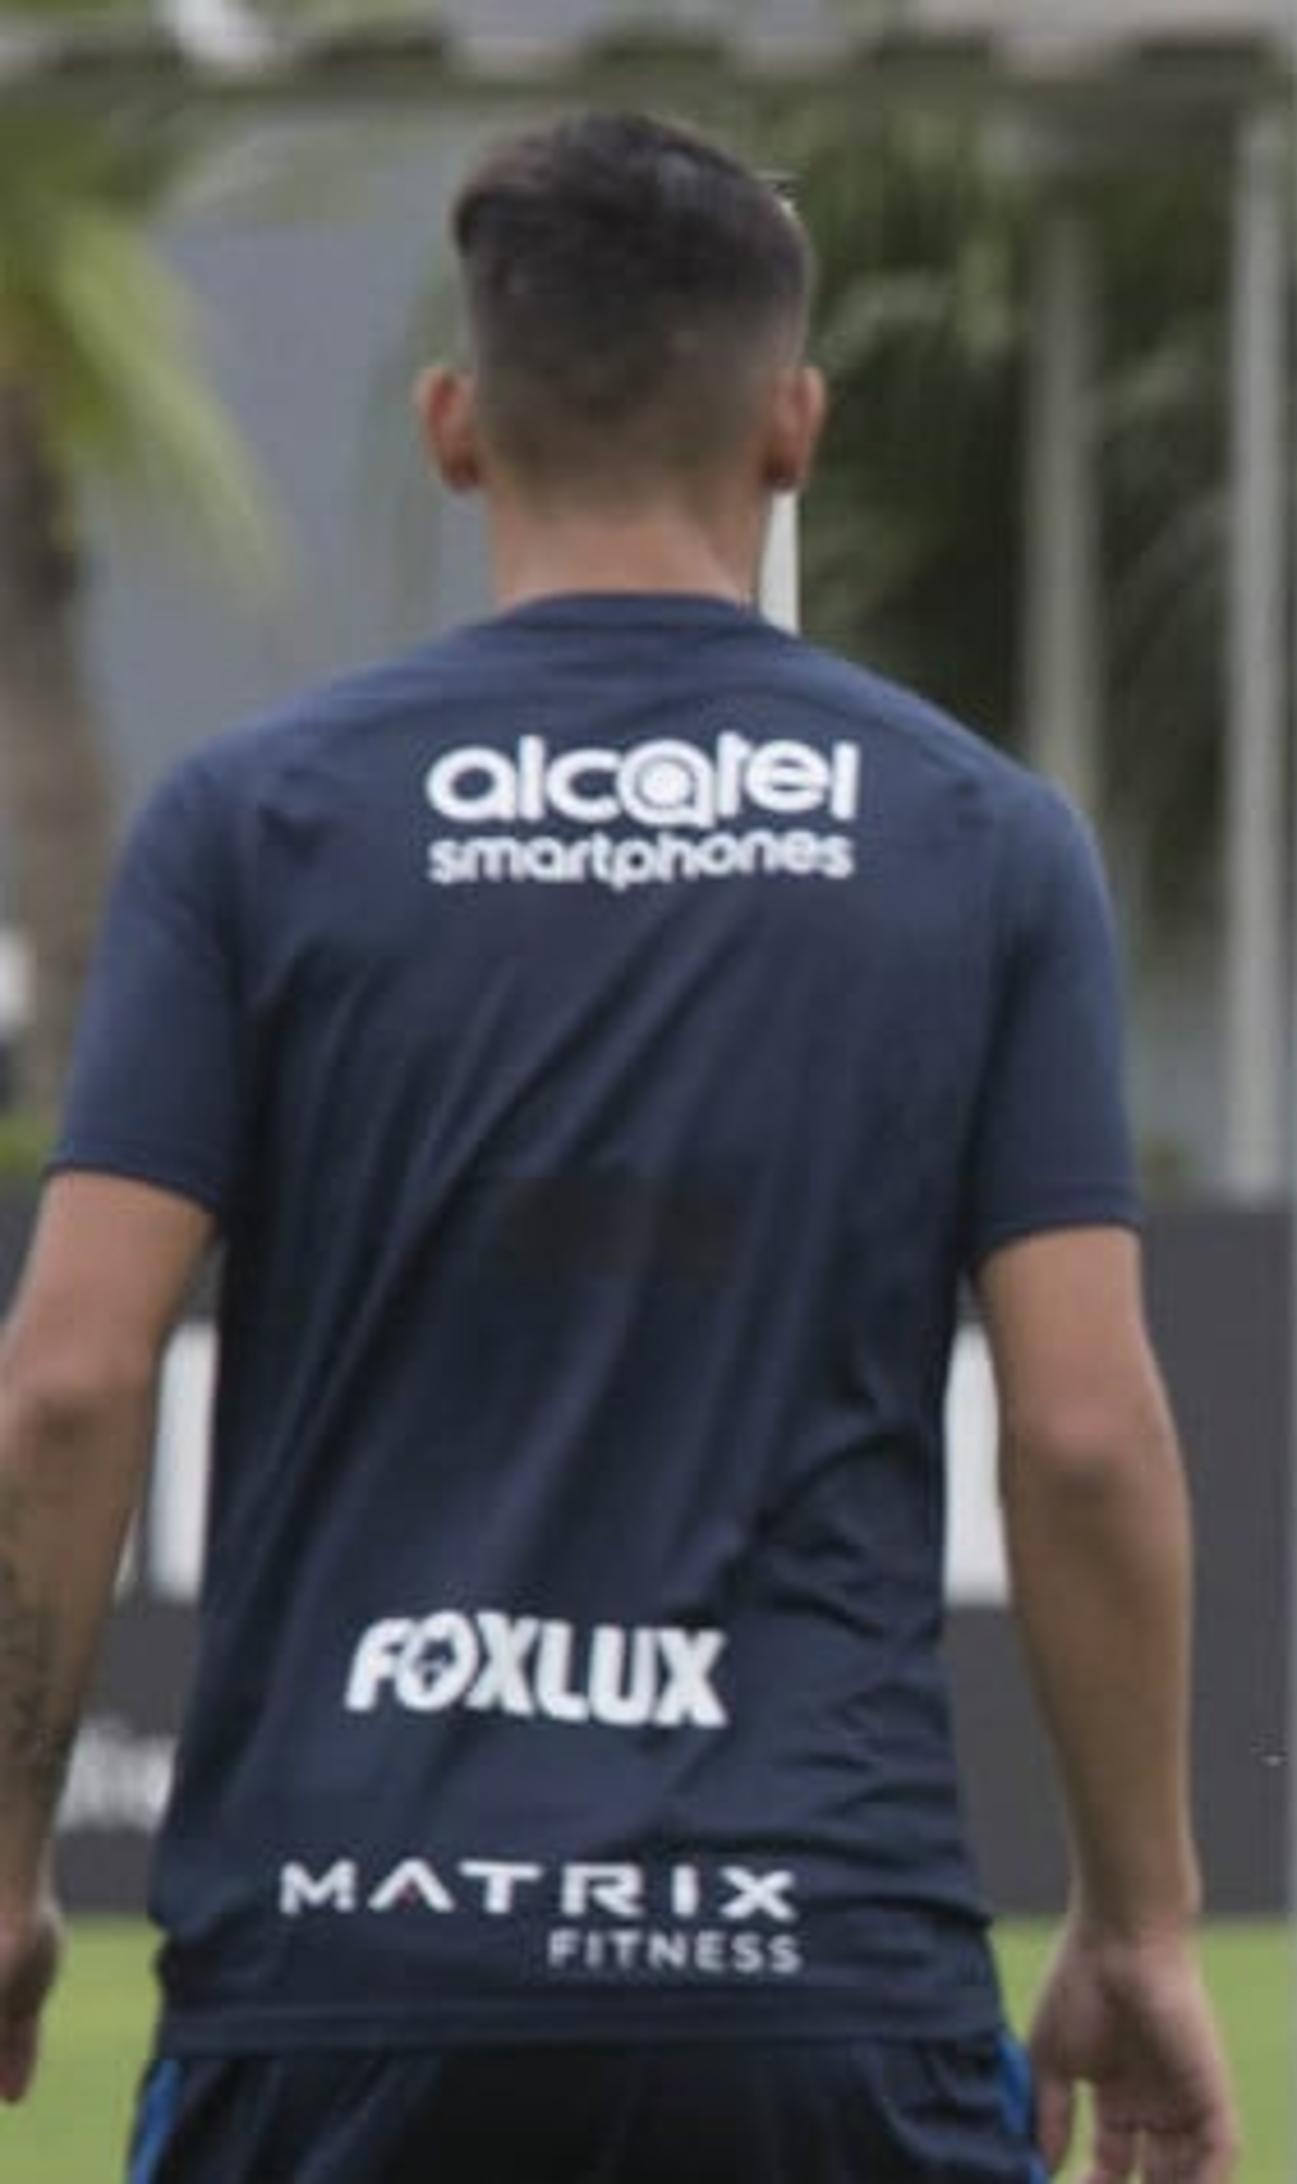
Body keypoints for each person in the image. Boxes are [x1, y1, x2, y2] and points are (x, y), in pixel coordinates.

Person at [0, 112, 1234, 2181]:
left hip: (340, 1968)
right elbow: (1089, 1434)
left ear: (453, 422)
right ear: (796, 424)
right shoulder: (979, 844)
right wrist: (1142, 1922)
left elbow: (65, 1382)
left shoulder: (252, 826)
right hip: (820, 1972)